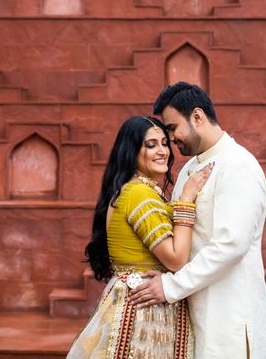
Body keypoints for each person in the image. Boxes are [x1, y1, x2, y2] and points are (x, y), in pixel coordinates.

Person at [127, 82, 266, 358]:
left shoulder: (239, 165)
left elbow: (231, 245)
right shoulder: (191, 169)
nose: (170, 140)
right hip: (196, 308)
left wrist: (171, 286)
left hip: (228, 318)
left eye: (171, 128)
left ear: (197, 116)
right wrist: (168, 275)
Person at [67, 115, 214, 358]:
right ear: (131, 151)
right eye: (150, 145)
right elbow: (176, 259)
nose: (162, 151)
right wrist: (186, 200)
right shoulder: (139, 194)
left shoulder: (135, 189)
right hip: (143, 313)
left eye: (164, 143)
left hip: (139, 300)